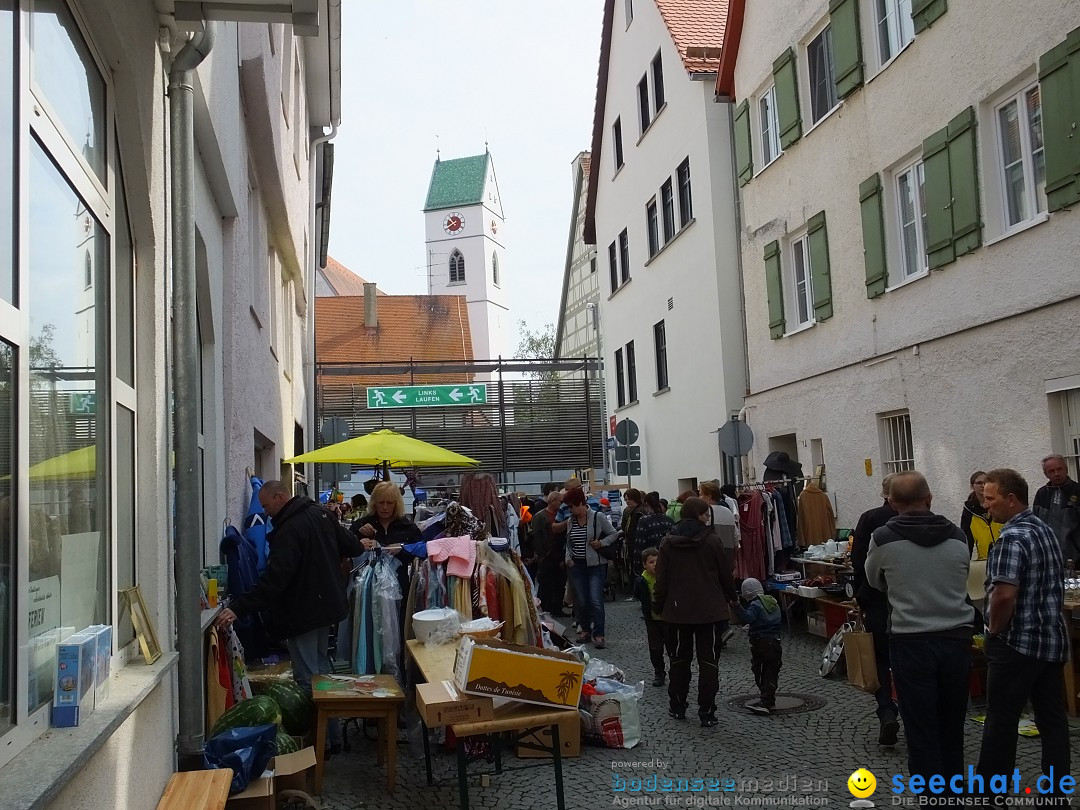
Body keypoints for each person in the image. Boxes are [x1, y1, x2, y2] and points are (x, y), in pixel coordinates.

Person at [216, 480, 363, 754]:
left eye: (268, 505)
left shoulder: (289, 529)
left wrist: (238, 607)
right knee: (322, 672)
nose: (266, 511)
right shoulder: (320, 514)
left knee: (308, 677)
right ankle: (332, 737)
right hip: (327, 608)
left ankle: (322, 744)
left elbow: (275, 582)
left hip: (303, 612)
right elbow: (353, 546)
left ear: (281, 496)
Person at [864, 471, 975, 783]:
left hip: (910, 638)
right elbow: (963, 574)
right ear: (930, 498)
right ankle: (954, 791)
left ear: (893, 503)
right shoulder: (957, 535)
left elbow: (874, 580)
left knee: (920, 725)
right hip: (956, 637)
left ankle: (931, 797)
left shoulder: (883, 538)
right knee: (952, 722)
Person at [977, 468, 1070, 785]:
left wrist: (993, 631)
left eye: (990, 499)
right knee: (1052, 721)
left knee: (1001, 720)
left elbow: (1004, 595)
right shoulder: (1044, 530)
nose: (986, 506)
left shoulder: (1012, 538)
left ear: (1011, 499)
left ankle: (991, 794)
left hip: (1016, 643)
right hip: (1051, 640)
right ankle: (1055, 795)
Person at [653, 497, 737, 728]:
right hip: (709, 611)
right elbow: (725, 574)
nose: (708, 518)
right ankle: (707, 711)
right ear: (697, 515)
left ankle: (677, 706)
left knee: (680, 660)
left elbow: (662, 579)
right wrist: (732, 598)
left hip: (678, 610)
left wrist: (659, 606)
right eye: (705, 514)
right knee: (708, 661)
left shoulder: (668, 542)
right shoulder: (712, 541)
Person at [850, 474, 899, 745]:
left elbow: (859, 561)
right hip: (908, 598)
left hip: (878, 598)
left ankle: (886, 710)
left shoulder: (870, 518)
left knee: (880, 658)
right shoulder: (924, 519)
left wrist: (861, 597)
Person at [562, 487, 619, 648]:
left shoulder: (597, 517)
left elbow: (614, 533)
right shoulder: (570, 521)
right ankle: (585, 630)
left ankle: (599, 633)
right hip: (577, 565)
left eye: (572, 506)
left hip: (595, 565)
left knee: (595, 600)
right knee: (582, 600)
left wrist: (602, 543)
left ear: (580, 503)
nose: (570, 510)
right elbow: (568, 542)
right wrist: (568, 558)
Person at [731, 577, 782, 715]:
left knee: (759, 670)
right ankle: (769, 700)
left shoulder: (756, 605)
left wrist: (737, 606)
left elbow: (748, 618)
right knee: (772, 672)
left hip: (761, 643)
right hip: (775, 641)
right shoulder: (773, 602)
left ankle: (765, 701)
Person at [1033, 453, 1080, 562]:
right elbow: (1035, 525)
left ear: (1066, 469)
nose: (1057, 473)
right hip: (1048, 558)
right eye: (1052, 471)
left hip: (1075, 559)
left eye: (1059, 469)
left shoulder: (1077, 491)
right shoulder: (1041, 494)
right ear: (1046, 474)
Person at [633, 547, 668, 687]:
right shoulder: (642, 580)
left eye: (657, 562)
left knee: (672, 646)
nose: (655, 565)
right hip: (652, 620)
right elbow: (637, 595)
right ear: (644, 565)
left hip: (667, 618)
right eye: (651, 562)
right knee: (655, 648)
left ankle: (676, 671)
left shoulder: (665, 577)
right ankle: (659, 672)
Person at [532, 491, 567, 616]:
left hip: (559, 554)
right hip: (546, 556)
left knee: (560, 583)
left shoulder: (561, 515)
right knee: (545, 582)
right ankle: (543, 607)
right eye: (560, 501)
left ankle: (556, 608)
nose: (562, 504)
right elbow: (536, 536)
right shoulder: (540, 516)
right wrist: (541, 554)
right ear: (553, 501)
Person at [634, 492, 674, 561]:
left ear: (646, 504)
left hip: (651, 559)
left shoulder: (643, 520)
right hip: (667, 559)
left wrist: (637, 563)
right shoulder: (669, 519)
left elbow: (640, 544)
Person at [621, 488, 645, 580]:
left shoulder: (638, 512)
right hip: (632, 545)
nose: (627, 502)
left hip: (636, 546)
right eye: (626, 500)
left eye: (628, 499)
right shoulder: (633, 511)